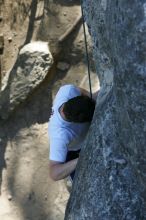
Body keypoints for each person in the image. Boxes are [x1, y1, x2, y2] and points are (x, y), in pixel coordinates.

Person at [48, 84, 98, 181]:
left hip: (81, 137)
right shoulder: (60, 135)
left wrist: (91, 99)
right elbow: (53, 173)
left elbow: (81, 91)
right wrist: (82, 158)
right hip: (75, 152)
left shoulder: (68, 91)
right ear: (76, 122)